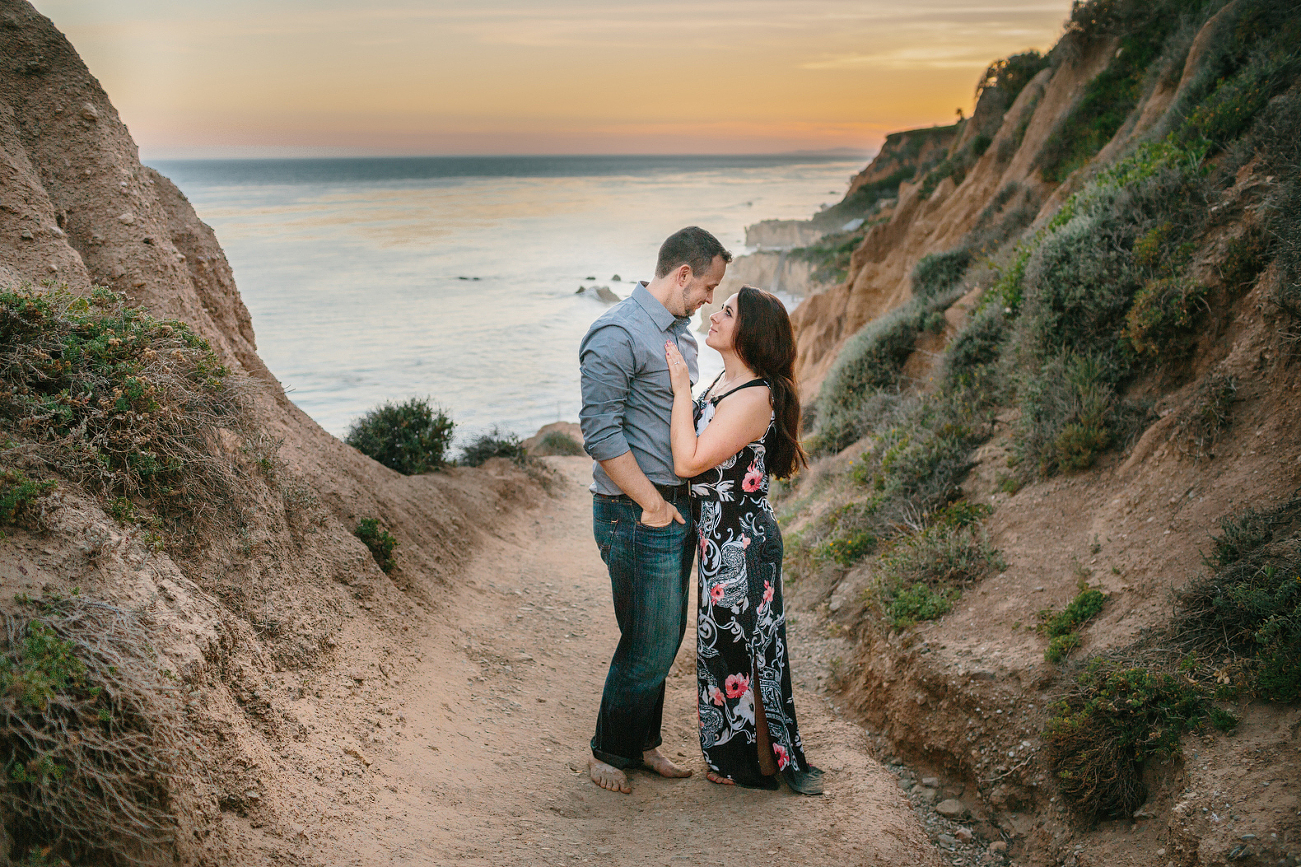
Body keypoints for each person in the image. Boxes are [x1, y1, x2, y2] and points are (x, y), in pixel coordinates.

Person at [579, 226, 732, 794]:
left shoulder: (678, 334)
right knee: (652, 638)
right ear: (683, 274)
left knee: (656, 636)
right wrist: (651, 503)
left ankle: (643, 745)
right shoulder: (617, 333)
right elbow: (599, 434)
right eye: (708, 286)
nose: (710, 300)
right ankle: (608, 753)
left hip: (673, 507)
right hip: (634, 512)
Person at [663, 285, 823, 794]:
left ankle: (758, 764)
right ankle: (734, 758)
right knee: (723, 650)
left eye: (725, 311)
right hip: (720, 537)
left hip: (742, 541)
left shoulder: (754, 396)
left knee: (747, 651)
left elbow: (689, 462)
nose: (713, 314)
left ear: (747, 333)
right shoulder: (726, 384)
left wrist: (679, 388)